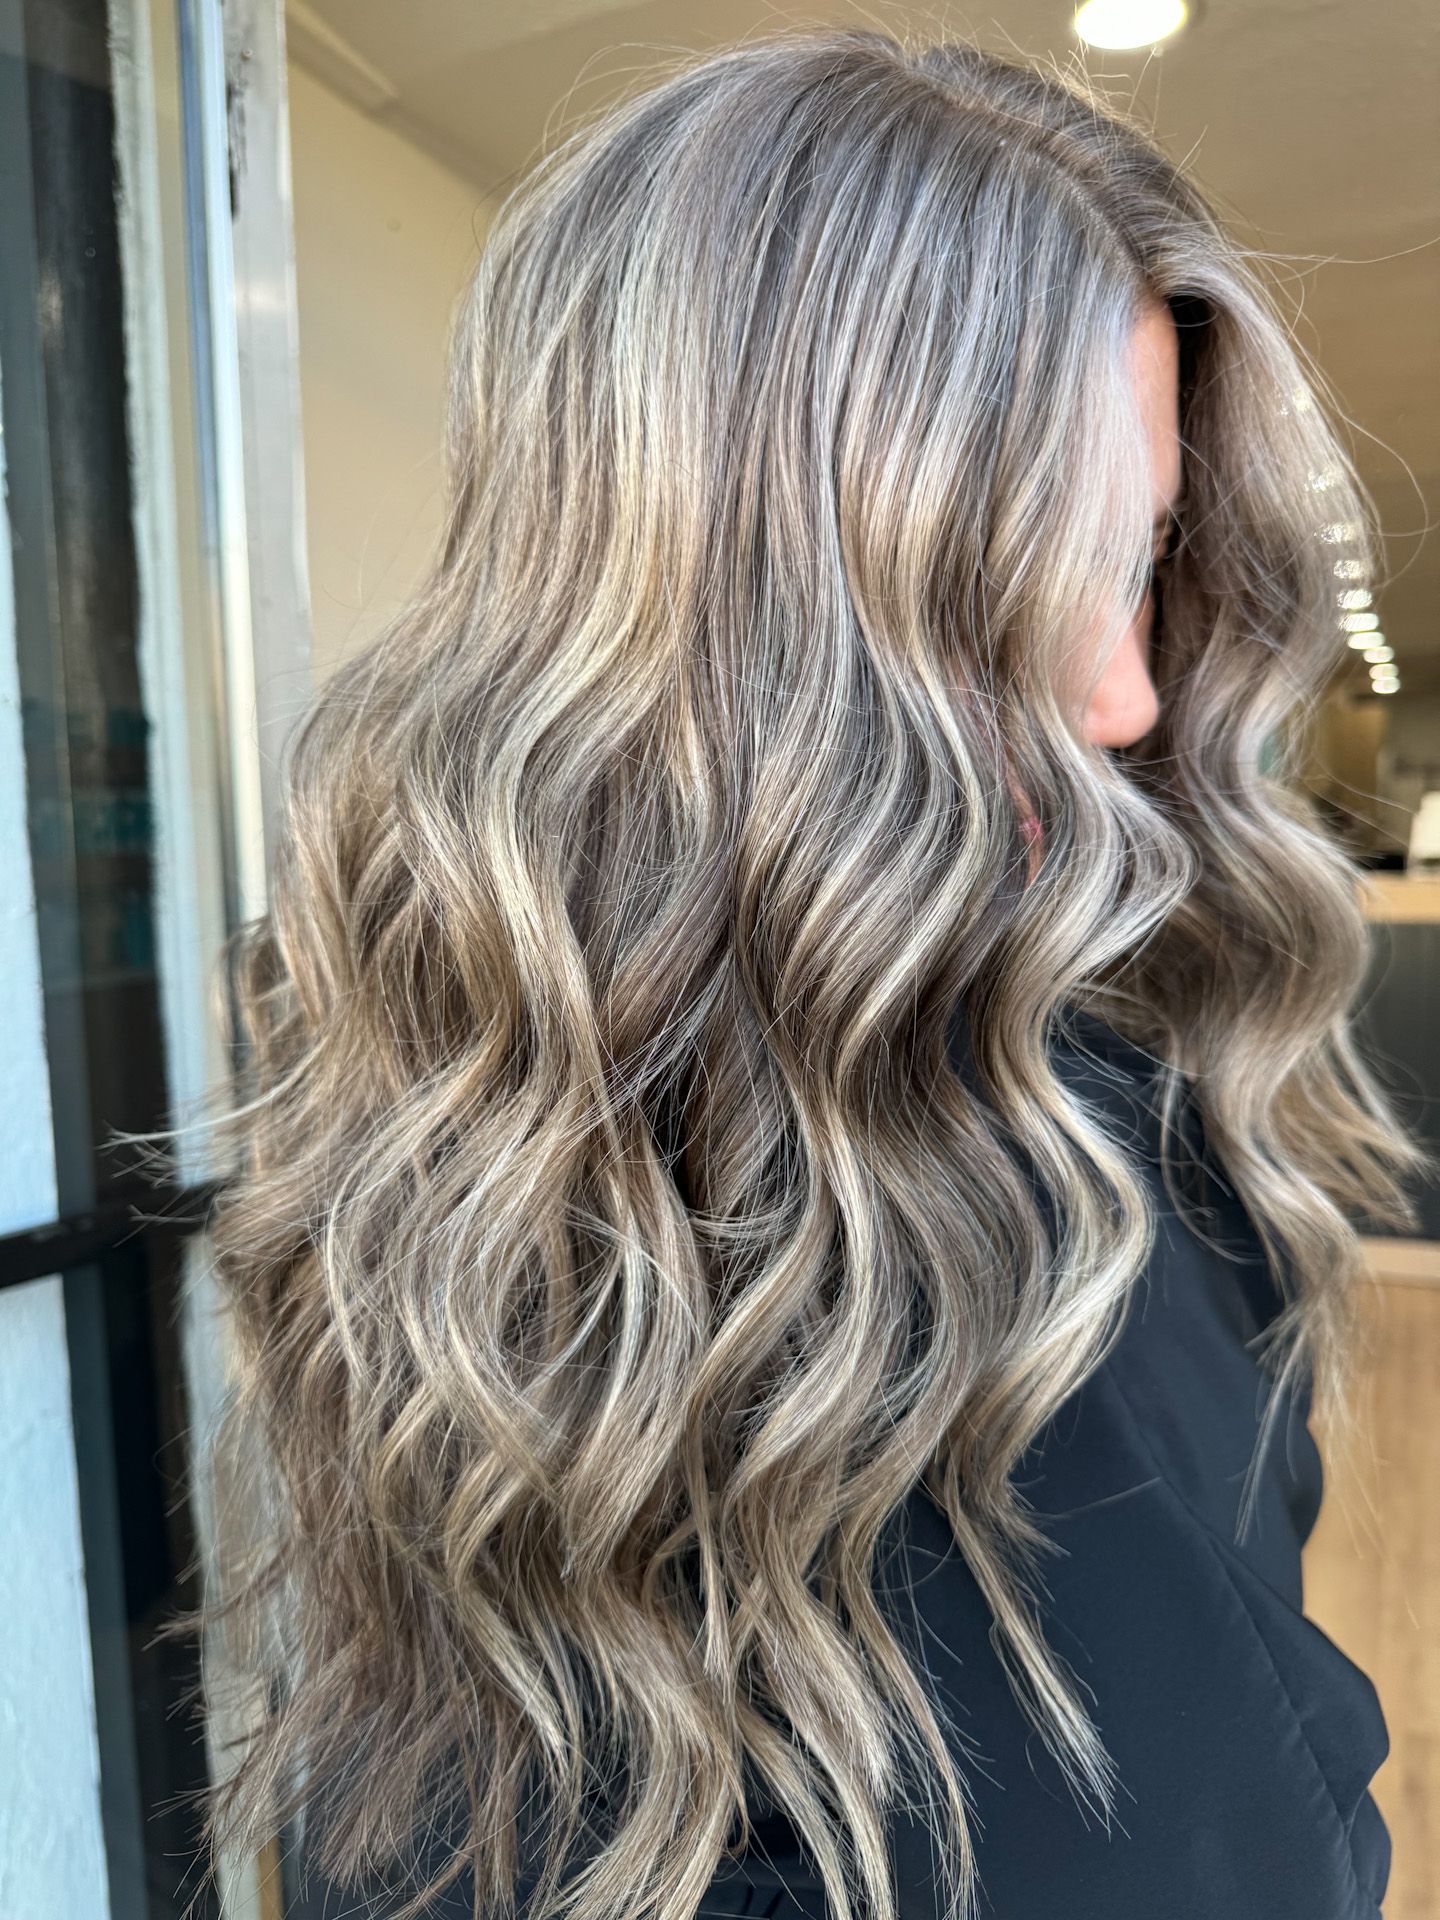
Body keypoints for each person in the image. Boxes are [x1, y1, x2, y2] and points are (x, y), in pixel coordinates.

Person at [183, 27, 1432, 1920]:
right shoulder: (471, 1242)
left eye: (1143, 559)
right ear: (727, 623)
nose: (1134, 703)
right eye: (1033, 582)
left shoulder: (1132, 1144)